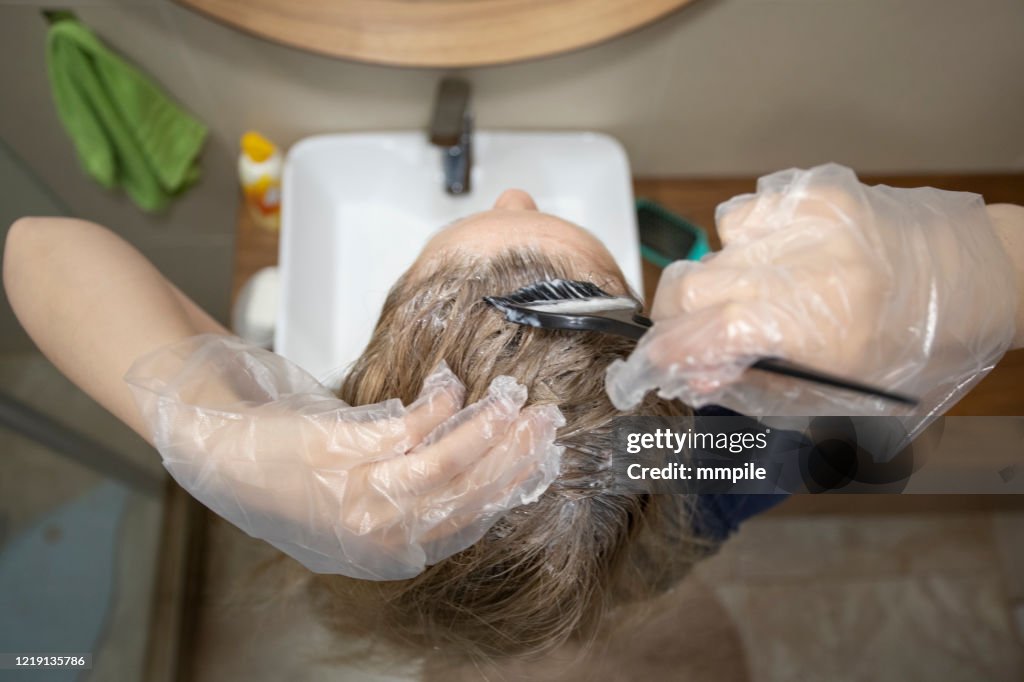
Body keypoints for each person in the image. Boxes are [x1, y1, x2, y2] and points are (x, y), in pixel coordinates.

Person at [4, 164, 1022, 663]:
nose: (518, 189)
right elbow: (902, 442)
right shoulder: (711, 456)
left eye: (486, 221)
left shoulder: (317, 480)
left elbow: (38, 246)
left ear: (361, 384)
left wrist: (225, 430)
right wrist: (979, 273)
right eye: (591, 264)